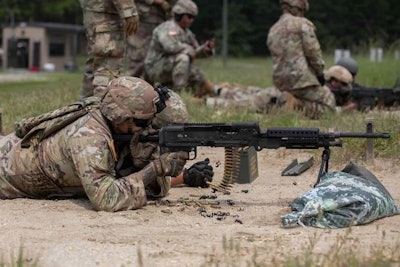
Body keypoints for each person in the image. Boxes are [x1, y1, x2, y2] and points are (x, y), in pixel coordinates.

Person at [0, 76, 213, 212]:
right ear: (121, 117)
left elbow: (149, 188)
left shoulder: (117, 128)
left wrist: (147, 162)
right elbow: (107, 198)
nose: (146, 127)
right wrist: (155, 168)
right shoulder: (89, 136)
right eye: (142, 122)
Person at [266, 0, 335, 119]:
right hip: (302, 81)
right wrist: (320, 75)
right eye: (302, 11)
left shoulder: (273, 29)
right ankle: (296, 105)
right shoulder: (302, 24)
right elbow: (313, 53)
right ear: (295, 8)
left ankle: (286, 102)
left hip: (281, 83)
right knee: (328, 104)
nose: (303, 14)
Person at [144, 0, 217, 97]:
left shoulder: (187, 33)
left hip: (168, 66)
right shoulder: (167, 28)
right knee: (183, 58)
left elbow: (194, 51)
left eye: (193, 17)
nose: (192, 20)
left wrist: (205, 49)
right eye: (189, 16)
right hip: (155, 69)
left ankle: (198, 93)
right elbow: (170, 47)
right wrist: (188, 49)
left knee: (198, 74)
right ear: (180, 15)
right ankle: (180, 94)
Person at [79, 0, 139, 99]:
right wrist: (128, 10)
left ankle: (84, 106)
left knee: (96, 60)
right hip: (106, 12)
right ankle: (102, 106)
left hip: (95, 9)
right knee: (108, 62)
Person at [126, 0, 177, 78]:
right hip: (142, 20)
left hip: (162, 19)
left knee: (155, 58)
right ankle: (128, 84)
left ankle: (149, 86)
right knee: (138, 58)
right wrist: (158, 1)